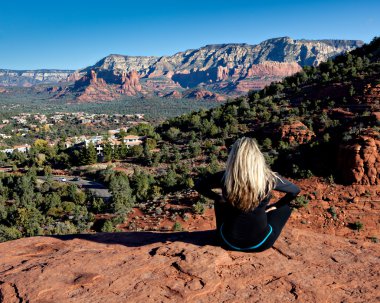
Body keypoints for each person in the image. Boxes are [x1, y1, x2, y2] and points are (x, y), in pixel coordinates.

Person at [194, 137, 300, 252]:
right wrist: (276, 206)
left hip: (227, 241)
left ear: (234, 158)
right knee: (284, 208)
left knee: (219, 202)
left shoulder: (224, 177)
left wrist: (218, 198)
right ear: (257, 157)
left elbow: (199, 186)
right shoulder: (269, 178)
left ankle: (222, 229)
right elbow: (295, 191)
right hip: (260, 244)